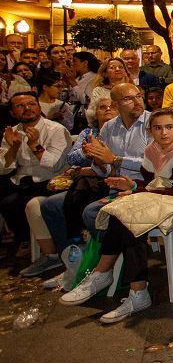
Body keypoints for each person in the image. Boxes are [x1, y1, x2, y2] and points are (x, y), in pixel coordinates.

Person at [59, 109, 173, 322]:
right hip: (156, 197)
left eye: (169, 127)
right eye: (157, 128)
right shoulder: (152, 150)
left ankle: (110, 277)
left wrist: (138, 189)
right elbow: (151, 182)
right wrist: (133, 185)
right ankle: (133, 289)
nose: (164, 133)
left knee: (129, 215)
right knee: (124, 215)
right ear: (150, 130)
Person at [22, 98, 118, 276]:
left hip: (110, 182)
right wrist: (88, 150)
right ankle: (71, 261)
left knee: (85, 207)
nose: (107, 110)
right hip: (85, 184)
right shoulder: (89, 132)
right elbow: (72, 159)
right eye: (102, 107)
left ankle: (98, 263)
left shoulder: (120, 131)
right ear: (94, 114)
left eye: (112, 107)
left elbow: (115, 163)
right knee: (48, 205)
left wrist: (95, 164)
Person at [0, 92, 72, 260]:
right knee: (6, 200)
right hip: (22, 180)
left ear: (39, 107)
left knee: (12, 203)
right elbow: (3, 168)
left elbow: (55, 164)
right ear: (12, 113)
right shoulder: (12, 132)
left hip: (51, 180)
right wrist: (14, 147)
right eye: (20, 106)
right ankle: (23, 238)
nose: (27, 108)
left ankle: (33, 244)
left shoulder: (55, 129)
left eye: (31, 104)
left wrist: (35, 146)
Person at [87, 57, 131, 126]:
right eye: (112, 68)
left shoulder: (132, 89)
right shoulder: (99, 90)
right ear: (105, 74)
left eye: (120, 67)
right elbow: (97, 112)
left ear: (125, 71)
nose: (117, 69)